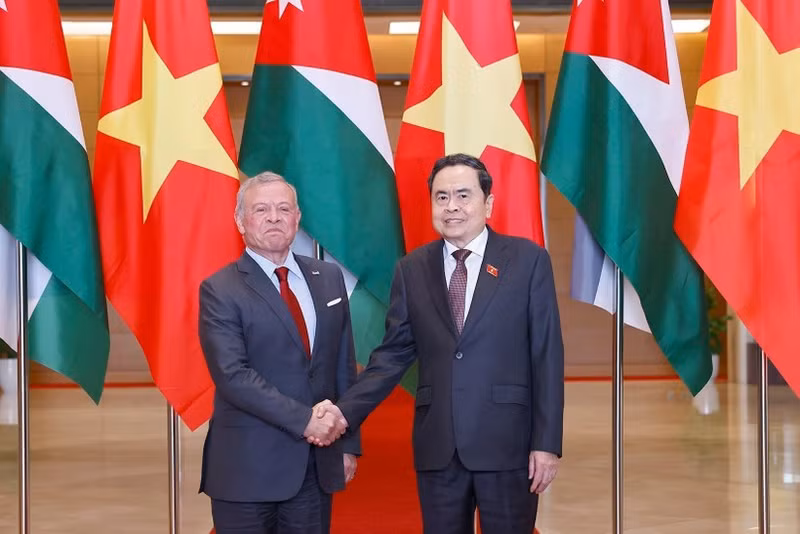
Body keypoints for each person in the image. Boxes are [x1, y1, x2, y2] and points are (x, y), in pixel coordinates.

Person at [319, 153, 564, 534]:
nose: (452, 206)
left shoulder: (528, 261)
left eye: (464, 195)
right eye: (442, 196)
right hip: (439, 447)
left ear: (488, 203)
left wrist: (546, 443)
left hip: (509, 445)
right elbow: (391, 356)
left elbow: (547, 357)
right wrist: (343, 412)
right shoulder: (412, 269)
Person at [198, 172, 360, 534]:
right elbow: (232, 375)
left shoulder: (329, 278)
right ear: (241, 221)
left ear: (297, 218)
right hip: (246, 469)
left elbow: (342, 366)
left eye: (283, 208)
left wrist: (348, 444)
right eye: (261, 209)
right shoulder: (220, 289)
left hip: (315, 466)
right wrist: (306, 420)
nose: (274, 217)